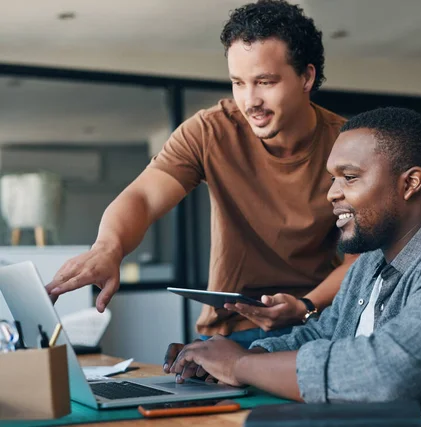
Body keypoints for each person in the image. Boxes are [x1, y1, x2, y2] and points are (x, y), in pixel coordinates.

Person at [163, 107, 421, 427]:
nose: (332, 194)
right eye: (333, 178)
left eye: (350, 177)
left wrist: (240, 366)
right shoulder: (371, 261)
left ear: (411, 183)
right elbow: (320, 335)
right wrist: (230, 357)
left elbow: (388, 374)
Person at [45, 0, 357, 347]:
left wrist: (305, 306)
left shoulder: (348, 146)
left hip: (317, 324)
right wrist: (109, 247)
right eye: (238, 83)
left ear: (306, 77)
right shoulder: (210, 132)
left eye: (265, 82)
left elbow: (361, 260)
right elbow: (144, 197)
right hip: (230, 328)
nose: (249, 100)